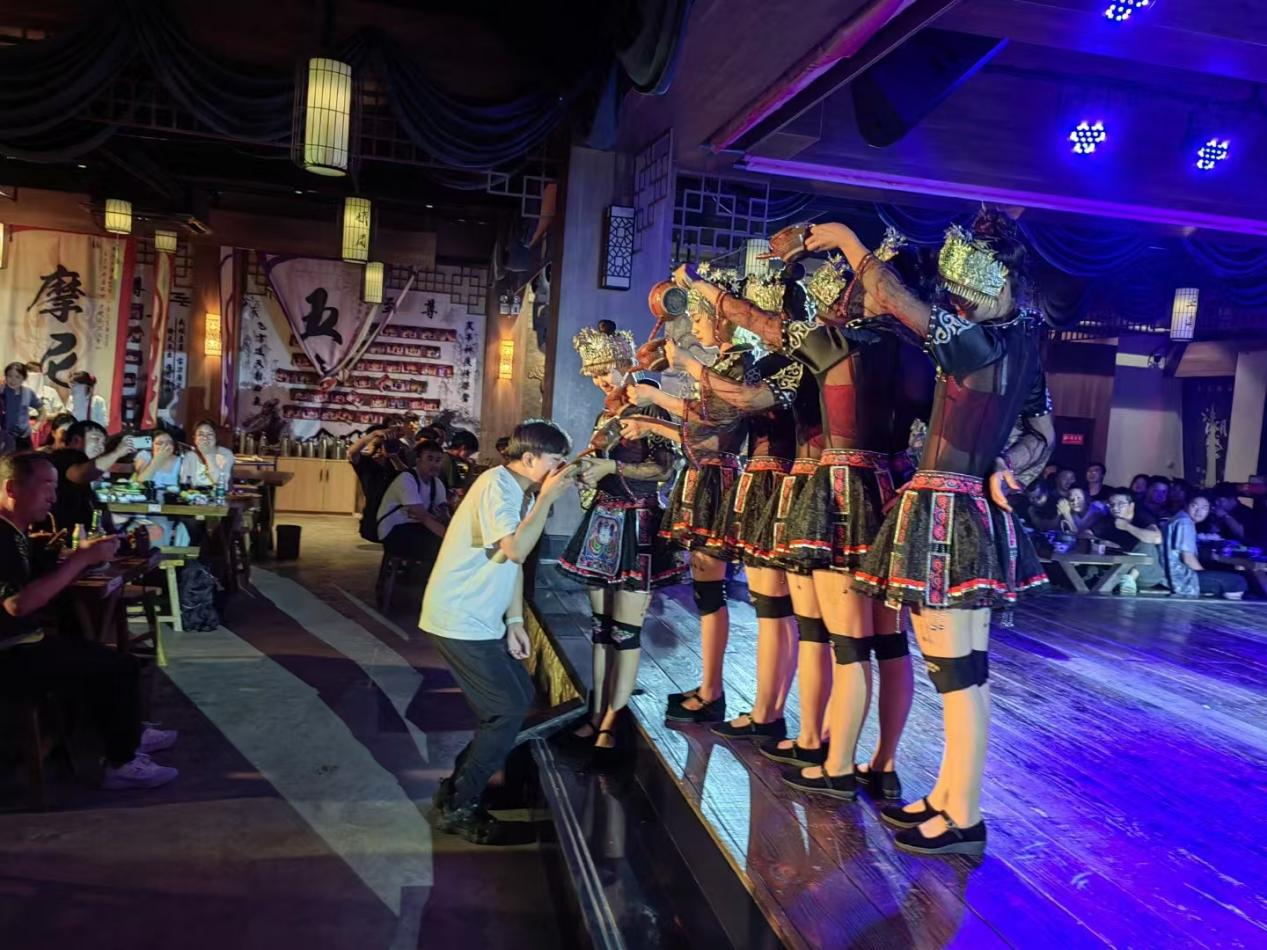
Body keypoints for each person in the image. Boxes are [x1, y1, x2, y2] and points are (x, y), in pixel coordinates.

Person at [812, 210, 1055, 857]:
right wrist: (1009, 468)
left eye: (969, 291)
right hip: (973, 509)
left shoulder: (976, 343)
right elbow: (1042, 433)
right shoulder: (1022, 345)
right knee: (966, 673)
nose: (959, 304)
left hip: (947, 514)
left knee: (956, 678)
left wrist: (848, 243)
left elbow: (895, 298)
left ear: (999, 281)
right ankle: (950, 797)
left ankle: (964, 818)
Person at [678, 239, 935, 803]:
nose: (846, 297)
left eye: (858, 287)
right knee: (888, 642)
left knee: (842, 640)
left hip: (840, 492)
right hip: (895, 492)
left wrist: (703, 291)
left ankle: (832, 756)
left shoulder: (840, 344)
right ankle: (880, 763)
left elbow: (761, 351)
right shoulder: (925, 355)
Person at [422, 419, 577, 844]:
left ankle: (458, 788)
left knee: (517, 699)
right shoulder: (497, 487)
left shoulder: (516, 490)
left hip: (479, 616)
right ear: (529, 459)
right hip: (459, 616)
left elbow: (511, 563)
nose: (560, 470)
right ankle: (460, 804)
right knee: (506, 709)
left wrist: (514, 622)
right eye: (555, 461)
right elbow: (516, 548)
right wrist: (546, 499)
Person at [622, 270, 756, 724]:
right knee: (705, 590)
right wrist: (650, 410)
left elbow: (707, 425)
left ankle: (713, 690)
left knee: (711, 591)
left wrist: (656, 400)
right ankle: (708, 685)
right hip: (706, 475)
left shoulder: (738, 364)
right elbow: (694, 423)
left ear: (723, 320)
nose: (695, 329)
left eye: (699, 320)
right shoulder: (723, 365)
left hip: (718, 478)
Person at [0, 452, 178, 789]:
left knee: (89, 646)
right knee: (118, 666)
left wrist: (70, 556)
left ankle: (126, 733)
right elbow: (18, 604)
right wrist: (80, 559)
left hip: (21, 644)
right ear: (11, 488)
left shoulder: (14, 532)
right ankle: (121, 763)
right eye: (46, 485)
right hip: (9, 654)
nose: (54, 496)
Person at [557, 323, 686, 756]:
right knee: (601, 628)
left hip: (637, 519)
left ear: (628, 364)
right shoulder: (606, 414)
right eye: (594, 375)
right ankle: (596, 710)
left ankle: (614, 717)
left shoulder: (651, 407)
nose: (601, 381)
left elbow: (664, 469)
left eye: (606, 371)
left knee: (627, 630)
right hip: (603, 521)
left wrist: (612, 468)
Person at [375, 439, 449, 588]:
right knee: (437, 547)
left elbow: (442, 513)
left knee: (442, 545)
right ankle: (426, 586)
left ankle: (428, 584)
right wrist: (448, 536)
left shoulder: (437, 483)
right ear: (418, 460)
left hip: (417, 527)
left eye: (438, 460)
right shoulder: (407, 479)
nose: (434, 464)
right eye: (429, 459)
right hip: (394, 531)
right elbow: (422, 515)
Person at [46, 420, 132, 534]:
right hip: (64, 534)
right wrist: (117, 452)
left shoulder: (90, 469)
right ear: (76, 440)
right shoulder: (65, 457)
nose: (100, 447)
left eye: (103, 443)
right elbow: (80, 474)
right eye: (96, 439)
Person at [1165, 493, 1248, 600]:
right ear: (1186, 505)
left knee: (1229, 574)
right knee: (1237, 582)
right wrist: (1206, 574)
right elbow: (1187, 558)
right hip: (1181, 578)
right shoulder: (1184, 523)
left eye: (1204, 508)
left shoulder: (1179, 518)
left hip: (1173, 574)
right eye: (1194, 506)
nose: (1199, 511)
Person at [1097, 490, 1166, 595]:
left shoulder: (1142, 517)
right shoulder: (1107, 520)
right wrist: (1099, 541)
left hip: (1147, 575)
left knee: (1146, 541)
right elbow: (1085, 534)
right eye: (1112, 505)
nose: (1115, 508)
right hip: (1116, 572)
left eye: (1121, 504)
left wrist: (1127, 526)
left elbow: (1157, 538)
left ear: (1131, 505)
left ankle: (1129, 579)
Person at [3, 361, 46, 452]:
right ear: (5, 376)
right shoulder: (2, 391)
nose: (13, 380)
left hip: (24, 437)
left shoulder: (28, 392)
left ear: (24, 378)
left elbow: (42, 410)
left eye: (17, 377)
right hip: (5, 437)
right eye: (9, 376)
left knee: (25, 459)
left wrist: (37, 425)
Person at [179, 419, 235, 490]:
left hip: (219, 495)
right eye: (201, 434)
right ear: (195, 439)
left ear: (216, 437)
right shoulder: (190, 456)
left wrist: (207, 454)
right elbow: (184, 482)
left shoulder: (226, 454)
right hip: (195, 495)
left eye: (210, 434)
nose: (205, 438)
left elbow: (221, 483)